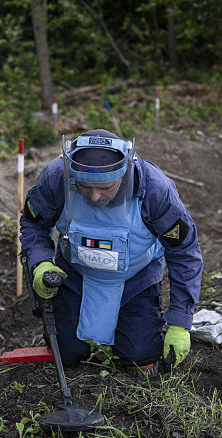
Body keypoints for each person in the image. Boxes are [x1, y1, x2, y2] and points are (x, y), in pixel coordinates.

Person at [20, 128, 202, 375]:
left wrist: (180, 322)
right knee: (68, 354)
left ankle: (132, 328)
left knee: (140, 359)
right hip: (76, 275)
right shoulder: (57, 177)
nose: (95, 197)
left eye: (105, 187)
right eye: (85, 187)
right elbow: (33, 223)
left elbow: (184, 251)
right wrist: (40, 263)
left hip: (135, 278)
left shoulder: (155, 190)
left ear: (124, 174)